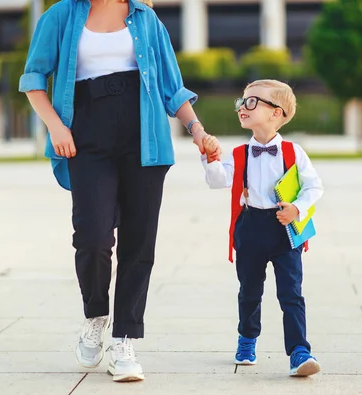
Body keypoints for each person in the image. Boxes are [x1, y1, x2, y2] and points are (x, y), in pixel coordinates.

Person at [19, 0, 221, 383]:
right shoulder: (61, 15)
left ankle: (124, 338)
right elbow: (33, 79)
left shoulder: (146, 18)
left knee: (139, 243)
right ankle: (96, 315)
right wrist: (56, 127)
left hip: (145, 139)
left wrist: (198, 132)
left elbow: (170, 86)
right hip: (85, 138)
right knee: (92, 237)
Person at [201, 80, 323, 377]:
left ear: (276, 113)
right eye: (242, 102)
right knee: (249, 290)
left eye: (253, 102)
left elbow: (314, 186)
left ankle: (299, 351)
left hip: (285, 229)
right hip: (251, 225)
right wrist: (210, 158)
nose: (243, 107)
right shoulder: (240, 153)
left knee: (291, 293)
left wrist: (297, 209)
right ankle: (247, 339)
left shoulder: (294, 151)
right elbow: (218, 181)